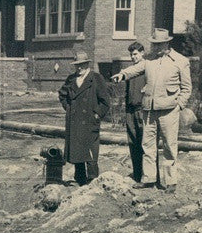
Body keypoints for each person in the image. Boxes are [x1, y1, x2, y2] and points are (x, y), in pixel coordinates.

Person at [111, 28, 191, 191]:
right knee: (148, 146)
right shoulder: (149, 60)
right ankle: (149, 178)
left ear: (167, 43)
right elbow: (135, 69)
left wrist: (179, 105)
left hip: (169, 110)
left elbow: (187, 88)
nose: (156, 48)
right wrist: (122, 74)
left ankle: (170, 182)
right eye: (154, 44)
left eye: (159, 44)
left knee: (169, 146)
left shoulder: (180, 61)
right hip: (149, 109)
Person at [58, 50, 111, 185]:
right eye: (77, 65)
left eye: (82, 64)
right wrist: (69, 108)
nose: (79, 68)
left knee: (91, 151)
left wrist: (97, 114)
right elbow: (62, 94)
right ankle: (80, 179)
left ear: (87, 64)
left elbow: (105, 101)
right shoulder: (71, 79)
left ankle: (93, 179)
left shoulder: (96, 78)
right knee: (77, 150)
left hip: (89, 120)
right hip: (74, 120)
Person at [123, 41, 147, 182]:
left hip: (142, 110)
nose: (133, 57)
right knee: (133, 143)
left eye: (135, 54)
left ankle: (148, 176)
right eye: (131, 55)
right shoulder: (130, 71)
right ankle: (137, 175)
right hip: (130, 111)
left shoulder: (147, 68)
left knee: (145, 144)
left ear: (142, 53)